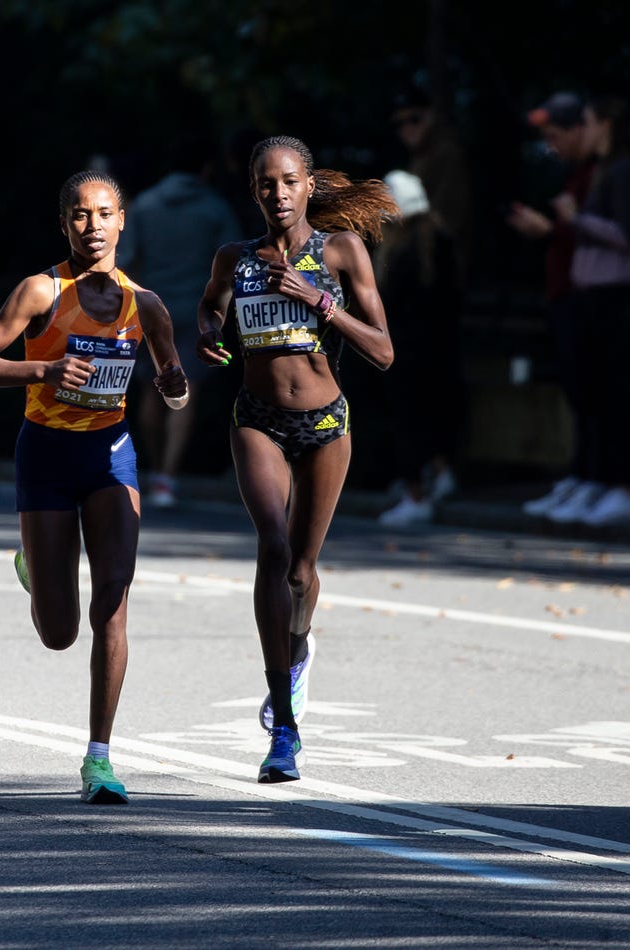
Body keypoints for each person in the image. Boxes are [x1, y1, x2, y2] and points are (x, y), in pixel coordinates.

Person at [0, 170, 188, 804]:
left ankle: (100, 759)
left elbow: (173, 379)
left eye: (104, 214)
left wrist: (173, 385)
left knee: (112, 599)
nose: (93, 226)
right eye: (80, 215)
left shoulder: (150, 305)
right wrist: (45, 368)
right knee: (59, 630)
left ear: (122, 222)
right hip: (47, 454)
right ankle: (35, 563)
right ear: (65, 224)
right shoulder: (41, 291)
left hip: (110, 454)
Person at [195, 135, 395, 783]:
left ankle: (299, 645)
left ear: (309, 185)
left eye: (287, 182)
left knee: (303, 573)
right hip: (258, 422)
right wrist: (207, 336)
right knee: (273, 550)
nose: (276, 194)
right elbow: (210, 308)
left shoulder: (341, 251)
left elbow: (384, 351)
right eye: (264, 184)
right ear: (252, 191)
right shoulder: (236, 257)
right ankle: (285, 730)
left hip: (326, 425)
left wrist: (319, 302)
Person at [116, 131, 242, 507]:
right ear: (205, 167)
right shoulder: (216, 208)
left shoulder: (145, 205)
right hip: (196, 312)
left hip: (148, 308)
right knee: (186, 391)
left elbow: (126, 258)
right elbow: (234, 263)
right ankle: (166, 478)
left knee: (149, 390)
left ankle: (154, 468)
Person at [547, 94, 630, 526]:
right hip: (595, 294)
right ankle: (603, 479)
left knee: (620, 392)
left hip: (619, 293)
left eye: (587, 121)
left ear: (605, 124)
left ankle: (629, 485)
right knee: (597, 392)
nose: (583, 130)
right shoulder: (606, 170)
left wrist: (575, 219)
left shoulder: (626, 171)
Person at [504, 92, 600, 522]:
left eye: (556, 134)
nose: (550, 145)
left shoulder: (601, 174)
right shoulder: (575, 173)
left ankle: (601, 479)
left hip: (591, 294)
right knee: (579, 391)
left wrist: (551, 231)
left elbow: (604, 239)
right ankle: (585, 476)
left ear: (585, 127)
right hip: (567, 292)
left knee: (596, 392)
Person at [374, 170, 465, 526]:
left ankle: (416, 494)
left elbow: (388, 302)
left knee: (408, 420)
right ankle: (439, 473)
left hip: (404, 349)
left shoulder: (399, 250)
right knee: (437, 414)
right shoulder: (441, 240)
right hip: (441, 346)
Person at [389, 84, 474, 284]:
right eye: (399, 124)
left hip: (439, 266)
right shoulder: (419, 158)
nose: (407, 128)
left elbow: (449, 217)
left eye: (414, 119)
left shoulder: (447, 154)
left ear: (431, 117)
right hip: (423, 261)